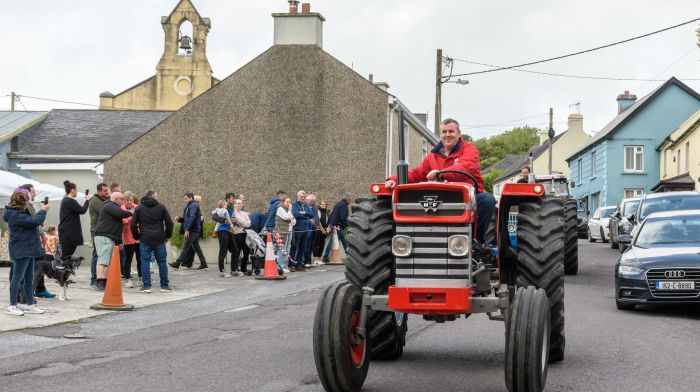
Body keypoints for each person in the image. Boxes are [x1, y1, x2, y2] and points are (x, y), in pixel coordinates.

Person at [384, 118, 496, 243]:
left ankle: (476, 242)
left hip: (467, 197)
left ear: (459, 134)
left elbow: (465, 167)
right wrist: (394, 178)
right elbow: (417, 173)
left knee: (487, 200)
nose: (447, 135)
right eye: (444, 132)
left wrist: (440, 174)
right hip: (440, 196)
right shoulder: (433, 156)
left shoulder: (469, 150)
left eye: (451, 131)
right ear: (440, 135)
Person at [4, 189, 49, 316]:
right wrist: (43, 210)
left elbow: (33, 221)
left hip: (29, 248)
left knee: (29, 278)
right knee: (17, 278)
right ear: (23, 202)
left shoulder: (20, 212)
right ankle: (12, 306)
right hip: (21, 249)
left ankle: (30, 304)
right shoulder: (15, 215)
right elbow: (35, 221)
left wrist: (36, 208)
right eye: (27, 200)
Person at [14, 183, 54, 299]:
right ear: (25, 194)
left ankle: (38, 290)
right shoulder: (23, 208)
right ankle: (22, 294)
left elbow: (37, 223)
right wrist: (43, 211)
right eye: (32, 192)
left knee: (39, 264)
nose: (35, 193)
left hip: (33, 241)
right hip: (26, 243)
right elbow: (35, 222)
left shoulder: (31, 205)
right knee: (24, 270)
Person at [131, 191, 174, 293]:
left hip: (145, 239)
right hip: (159, 238)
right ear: (153, 197)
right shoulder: (161, 207)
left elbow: (133, 225)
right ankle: (164, 285)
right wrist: (167, 235)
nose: (157, 198)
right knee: (162, 262)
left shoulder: (139, 208)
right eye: (156, 196)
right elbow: (169, 223)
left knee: (144, 262)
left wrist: (137, 236)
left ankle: (147, 286)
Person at [93, 192, 132, 291]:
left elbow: (116, 227)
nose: (123, 201)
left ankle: (104, 281)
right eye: (122, 199)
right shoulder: (109, 205)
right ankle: (99, 281)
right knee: (103, 260)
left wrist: (119, 242)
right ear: (116, 199)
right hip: (104, 236)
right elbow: (121, 214)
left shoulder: (111, 207)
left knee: (106, 260)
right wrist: (132, 212)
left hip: (108, 237)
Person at [170, 193, 207, 270]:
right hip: (194, 230)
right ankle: (204, 264)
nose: (184, 200)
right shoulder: (191, 206)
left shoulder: (193, 205)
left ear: (191, 198)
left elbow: (192, 217)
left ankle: (177, 263)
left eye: (186, 198)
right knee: (197, 248)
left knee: (186, 246)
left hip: (192, 231)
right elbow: (188, 219)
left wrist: (187, 230)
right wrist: (180, 219)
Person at [58, 180, 92, 260]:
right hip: (69, 234)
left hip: (66, 233)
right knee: (66, 256)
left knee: (66, 255)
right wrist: (87, 200)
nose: (77, 192)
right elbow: (82, 210)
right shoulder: (70, 201)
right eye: (76, 190)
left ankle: (62, 270)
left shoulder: (65, 200)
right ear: (72, 190)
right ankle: (60, 271)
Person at [211, 193, 240, 277]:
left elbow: (232, 219)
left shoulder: (231, 209)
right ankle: (222, 271)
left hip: (229, 231)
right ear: (227, 200)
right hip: (222, 231)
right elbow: (214, 216)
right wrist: (223, 221)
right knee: (223, 251)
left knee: (235, 251)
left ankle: (233, 270)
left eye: (234, 198)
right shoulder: (220, 207)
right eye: (232, 198)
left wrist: (233, 220)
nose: (233, 200)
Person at [88, 183, 109, 286]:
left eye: (107, 190)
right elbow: (105, 212)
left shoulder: (103, 200)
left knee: (99, 254)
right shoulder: (95, 201)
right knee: (97, 254)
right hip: (96, 230)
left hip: (102, 231)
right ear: (99, 191)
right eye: (105, 191)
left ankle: (99, 277)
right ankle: (95, 278)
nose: (107, 192)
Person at [322, 193, 352, 263]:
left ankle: (349, 256)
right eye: (350, 199)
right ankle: (326, 256)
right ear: (347, 199)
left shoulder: (339, 203)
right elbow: (343, 217)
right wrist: (346, 226)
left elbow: (332, 214)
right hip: (338, 226)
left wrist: (330, 225)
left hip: (335, 225)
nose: (351, 200)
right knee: (338, 241)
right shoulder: (343, 205)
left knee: (343, 241)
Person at [121, 192, 140, 288]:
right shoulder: (122, 209)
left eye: (131, 200)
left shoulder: (136, 208)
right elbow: (124, 222)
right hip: (128, 237)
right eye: (127, 200)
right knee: (128, 259)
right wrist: (131, 216)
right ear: (123, 201)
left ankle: (141, 278)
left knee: (140, 258)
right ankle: (127, 279)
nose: (129, 202)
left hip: (138, 237)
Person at [290, 191, 313, 270]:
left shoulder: (306, 205)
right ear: (298, 197)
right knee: (295, 247)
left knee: (303, 247)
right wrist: (306, 214)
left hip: (305, 229)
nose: (303, 198)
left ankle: (299, 263)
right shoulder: (294, 204)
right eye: (301, 197)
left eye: (304, 197)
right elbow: (295, 214)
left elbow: (311, 214)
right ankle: (292, 264)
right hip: (297, 229)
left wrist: (304, 213)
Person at [275, 197, 296, 273]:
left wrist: (290, 218)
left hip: (289, 231)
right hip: (282, 231)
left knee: (287, 249)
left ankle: (284, 265)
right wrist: (290, 213)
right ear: (283, 202)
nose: (289, 204)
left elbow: (294, 221)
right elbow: (287, 217)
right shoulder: (280, 208)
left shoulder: (288, 210)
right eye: (287, 202)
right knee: (282, 249)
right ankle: (280, 266)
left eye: (290, 202)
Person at [232, 198, 251, 275]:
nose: (239, 204)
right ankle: (235, 268)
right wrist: (243, 222)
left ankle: (244, 268)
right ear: (235, 204)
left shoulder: (244, 213)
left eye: (241, 203)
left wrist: (242, 223)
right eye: (238, 203)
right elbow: (239, 220)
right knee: (237, 251)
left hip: (245, 233)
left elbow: (249, 223)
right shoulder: (233, 213)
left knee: (246, 251)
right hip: (237, 234)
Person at [303, 193, 319, 267]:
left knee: (311, 245)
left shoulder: (315, 207)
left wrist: (314, 222)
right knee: (306, 245)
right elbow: (303, 215)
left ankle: (309, 260)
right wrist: (309, 219)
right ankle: (305, 261)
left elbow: (316, 217)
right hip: (306, 228)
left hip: (313, 228)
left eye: (313, 201)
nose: (312, 203)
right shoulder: (304, 206)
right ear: (307, 200)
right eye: (311, 201)